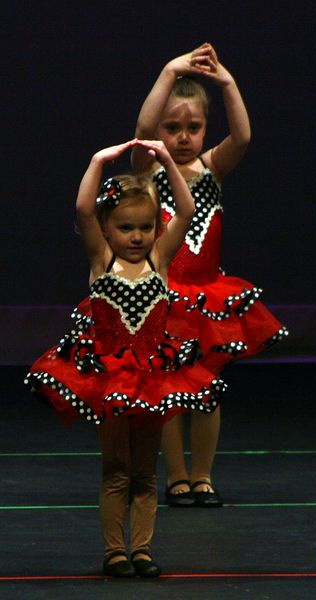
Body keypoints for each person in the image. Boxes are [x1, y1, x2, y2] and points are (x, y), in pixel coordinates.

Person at [25, 138, 227, 577]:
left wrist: (168, 162)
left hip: (152, 379)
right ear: (106, 228)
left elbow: (188, 210)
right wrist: (98, 160)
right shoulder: (101, 261)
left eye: (145, 227)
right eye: (125, 228)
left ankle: (144, 550)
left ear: (156, 228)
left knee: (145, 474)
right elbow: (82, 209)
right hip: (112, 382)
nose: (136, 237)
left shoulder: (159, 259)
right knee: (116, 469)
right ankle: (115, 550)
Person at [132, 43, 288, 508]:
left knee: (208, 392)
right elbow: (142, 129)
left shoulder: (211, 168)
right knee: (170, 391)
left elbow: (242, 137)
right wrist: (168, 70)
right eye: (173, 127)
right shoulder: (150, 169)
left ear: (205, 130)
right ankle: (176, 476)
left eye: (193, 128)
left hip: (208, 297)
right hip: (166, 296)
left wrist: (227, 83)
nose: (182, 137)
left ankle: (202, 475)